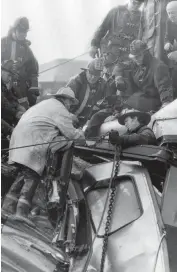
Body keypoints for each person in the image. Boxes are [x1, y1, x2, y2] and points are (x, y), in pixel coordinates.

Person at [2, 87, 85, 226]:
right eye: (70, 102)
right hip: (32, 142)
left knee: (23, 175)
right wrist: (82, 135)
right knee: (33, 176)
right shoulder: (61, 110)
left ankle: (6, 207)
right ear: (64, 99)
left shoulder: (44, 104)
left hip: (19, 139)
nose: (70, 105)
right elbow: (71, 134)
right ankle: (21, 212)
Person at [90, 0, 144, 88]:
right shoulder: (116, 11)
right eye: (134, 3)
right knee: (103, 82)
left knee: (122, 86)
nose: (136, 6)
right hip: (109, 54)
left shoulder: (142, 17)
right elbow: (102, 28)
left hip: (127, 59)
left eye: (139, 4)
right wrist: (94, 45)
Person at [121, 40, 174, 112]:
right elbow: (121, 65)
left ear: (146, 53)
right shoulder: (137, 63)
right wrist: (118, 77)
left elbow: (164, 88)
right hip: (144, 97)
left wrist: (165, 106)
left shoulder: (158, 67)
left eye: (139, 56)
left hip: (156, 101)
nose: (136, 59)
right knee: (129, 101)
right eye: (134, 57)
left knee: (136, 101)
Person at [1, 17, 39, 109]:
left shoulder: (26, 49)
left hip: (20, 89)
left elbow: (33, 71)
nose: (24, 34)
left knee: (23, 110)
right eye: (21, 31)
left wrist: (33, 88)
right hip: (3, 85)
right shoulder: (3, 43)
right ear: (14, 30)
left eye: (25, 32)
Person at [67, 58, 117, 127]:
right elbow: (62, 101)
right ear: (86, 71)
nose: (93, 77)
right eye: (91, 74)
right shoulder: (75, 82)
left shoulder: (103, 84)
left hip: (87, 122)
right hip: (68, 119)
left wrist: (107, 115)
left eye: (96, 75)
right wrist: (68, 115)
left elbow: (109, 102)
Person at [1, 60, 25, 138]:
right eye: (9, 75)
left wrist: (19, 107)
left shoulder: (3, 87)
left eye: (11, 76)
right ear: (2, 72)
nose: (10, 79)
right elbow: (4, 103)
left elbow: (10, 99)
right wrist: (10, 130)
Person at [164, 1, 177, 94]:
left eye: (173, 12)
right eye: (168, 13)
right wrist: (167, 43)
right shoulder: (169, 21)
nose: (170, 15)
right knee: (174, 80)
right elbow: (168, 37)